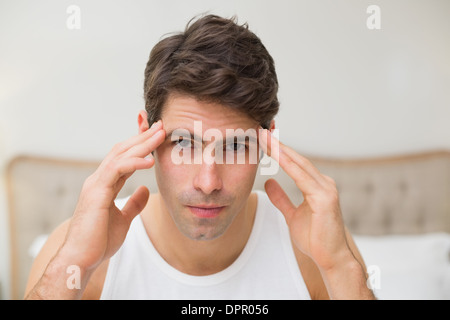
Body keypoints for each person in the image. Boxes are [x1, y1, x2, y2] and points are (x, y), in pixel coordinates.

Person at [25, 14, 375, 300]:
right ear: (145, 135)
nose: (208, 182)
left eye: (235, 147)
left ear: (268, 142)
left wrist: (340, 267)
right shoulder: (80, 256)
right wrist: (75, 262)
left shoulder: (315, 253)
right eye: (183, 143)